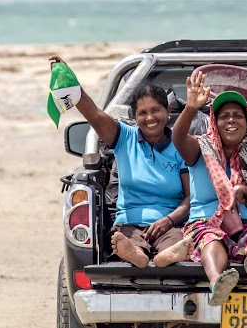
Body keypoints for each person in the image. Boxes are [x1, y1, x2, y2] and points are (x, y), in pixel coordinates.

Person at [48, 56, 191, 268]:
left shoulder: (180, 144)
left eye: (155, 110)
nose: (150, 117)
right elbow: (95, 115)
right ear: (134, 116)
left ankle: (166, 255)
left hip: (170, 225)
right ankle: (137, 255)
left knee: (176, 240)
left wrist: (168, 221)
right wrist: (71, 83)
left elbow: (190, 198)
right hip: (129, 224)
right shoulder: (125, 138)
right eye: (143, 113)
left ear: (168, 112)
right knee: (125, 240)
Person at [171, 71, 247, 306]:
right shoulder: (200, 147)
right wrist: (190, 108)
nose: (231, 120)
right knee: (211, 240)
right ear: (215, 121)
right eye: (224, 116)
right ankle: (217, 283)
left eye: (237, 116)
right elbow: (178, 138)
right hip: (206, 223)